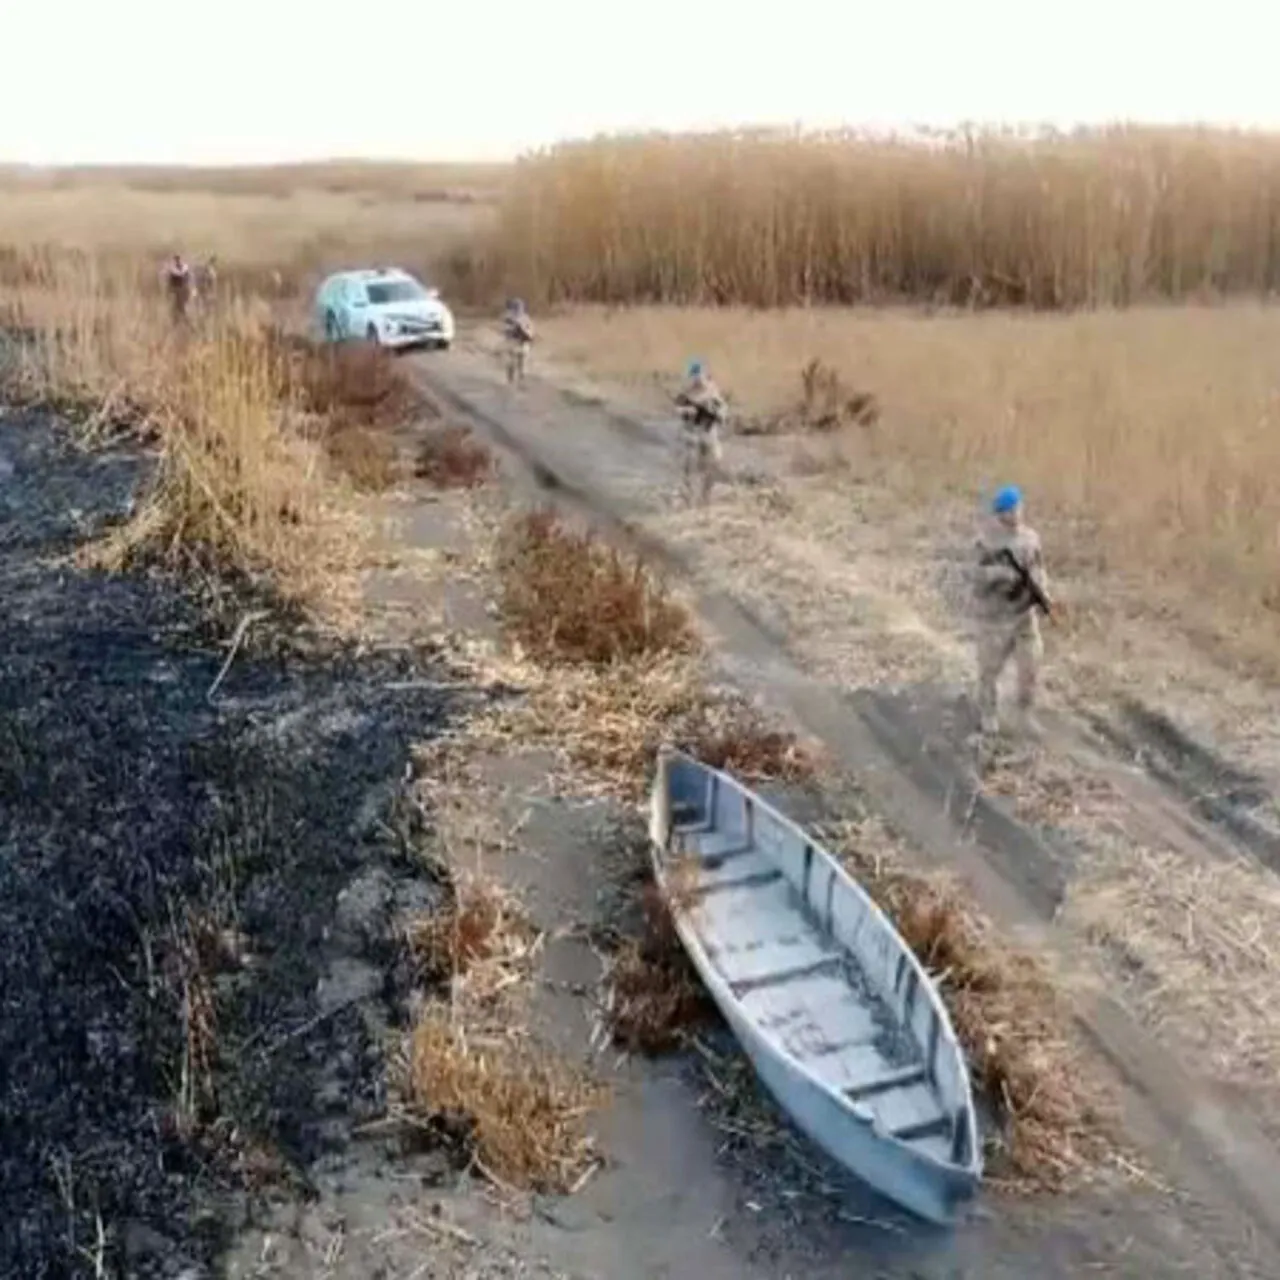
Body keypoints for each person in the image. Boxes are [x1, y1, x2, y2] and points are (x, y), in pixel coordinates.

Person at [973, 484, 1053, 735]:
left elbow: (1038, 568)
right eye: (1010, 510)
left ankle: (1025, 713)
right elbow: (976, 576)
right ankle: (988, 712)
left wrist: (1043, 595)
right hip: (996, 619)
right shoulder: (987, 541)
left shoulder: (1030, 538)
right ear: (1000, 514)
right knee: (989, 671)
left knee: (1031, 667)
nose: (1016, 514)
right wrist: (1000, 575)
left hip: (1024, 617)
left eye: (1018, 507)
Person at [673, 359, 728, 503]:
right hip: (691, 435)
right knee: (689, 467)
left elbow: (722, 411)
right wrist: (687, 411)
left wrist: (714, 411)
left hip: (709, 433)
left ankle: (706, 496)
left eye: (700, 376)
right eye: (694, 376)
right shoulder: (686, 394)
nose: (697, 380)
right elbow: (677, 409)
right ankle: (689, 497)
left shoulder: (712, 392)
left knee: (713, 463)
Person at [502, 297, 534, 385]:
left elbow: (506, 332)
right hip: (519, 343)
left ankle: (515, 380)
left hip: (518, 343)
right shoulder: (524, 318)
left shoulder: (511, 318)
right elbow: (530, 332)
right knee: (517, 363)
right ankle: (515, 380)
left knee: (516, 363)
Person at [163, 253, 193, 326]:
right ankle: (179, 322)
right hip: (177, 291)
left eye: (178, 259)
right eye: (176, 259)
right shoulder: (173, 270)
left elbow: (188, 279)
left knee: (181, 307)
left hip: (182, 290)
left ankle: (182, 322)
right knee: (178, 308)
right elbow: (170, 282)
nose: (178, 261)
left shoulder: (184, 269)